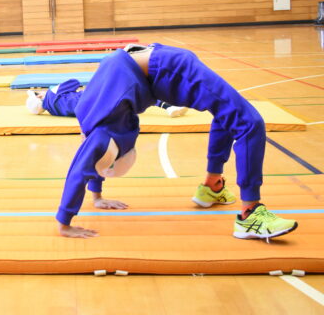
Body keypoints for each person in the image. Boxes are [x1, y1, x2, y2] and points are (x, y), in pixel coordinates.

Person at [56, 43, 298, 240]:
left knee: (249, 122)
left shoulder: (101, 133)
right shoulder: (90, 118)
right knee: (228, 112)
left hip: (169, 69)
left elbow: (83, 169)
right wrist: (96, 198)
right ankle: (213, 188)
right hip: (158, 66)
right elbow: (92, 163)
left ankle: (249, 213)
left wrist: (64, 224)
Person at [26, 79, 187, 119]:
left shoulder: (54, 111)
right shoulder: (52, 94)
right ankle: (169, 106)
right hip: (94, 97)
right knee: (133, 86)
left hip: (97, 109)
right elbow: (74, 82)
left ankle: (168, 106)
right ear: (40, 97)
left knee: (129, 99)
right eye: (39, 93)